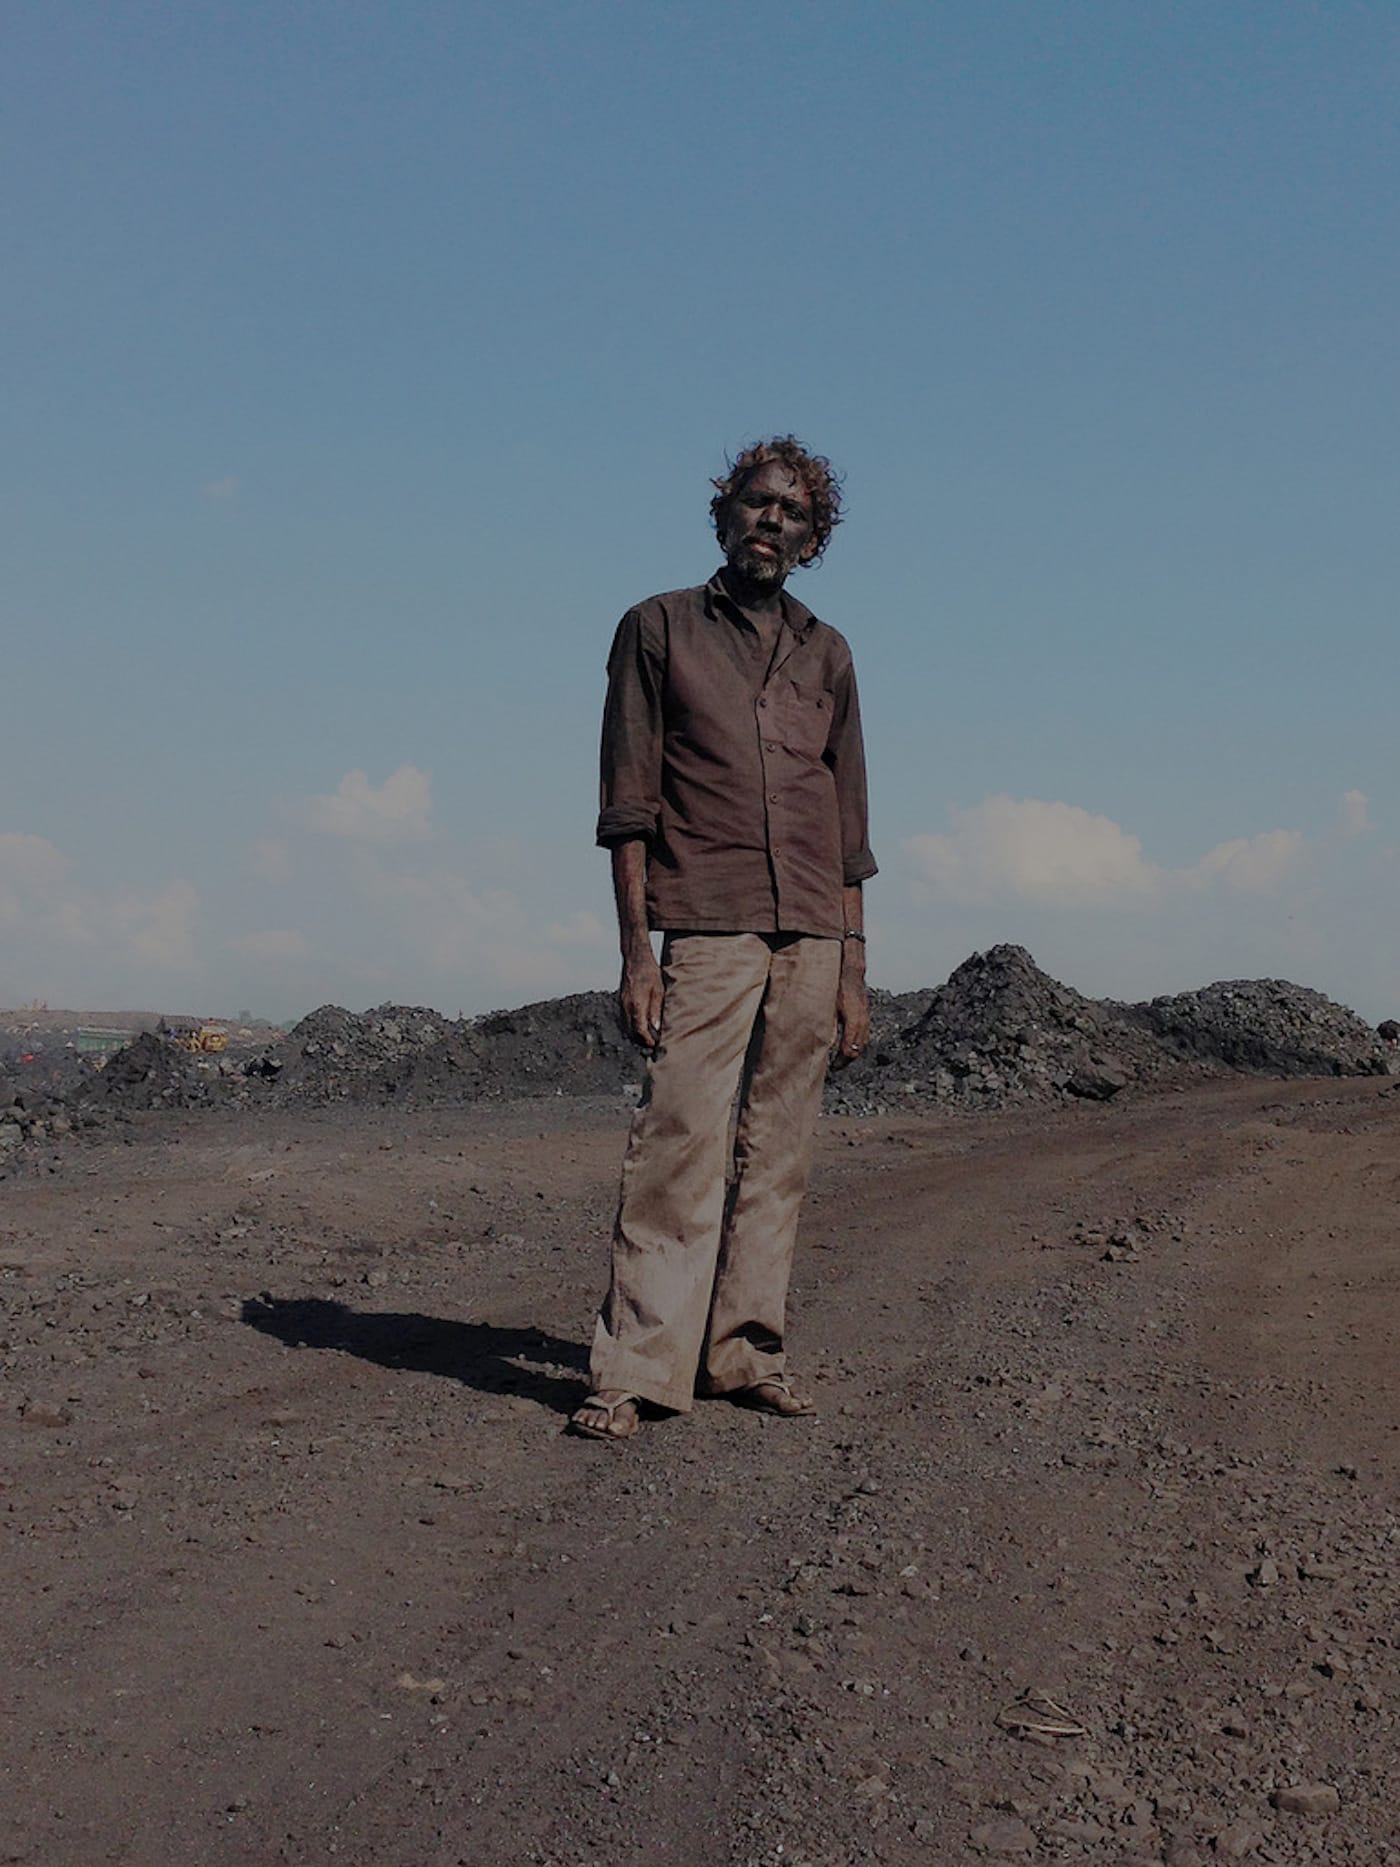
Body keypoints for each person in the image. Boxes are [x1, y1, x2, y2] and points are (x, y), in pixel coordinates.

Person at [570, 436, 877, 1442]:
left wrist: (852, 971)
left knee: (777, 1152)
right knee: (678, 1141)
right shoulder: (656, 629)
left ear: (811, 536)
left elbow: (848, 824)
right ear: (720, 514)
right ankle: (634, 1369)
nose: (770, 521)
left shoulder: (826, 651)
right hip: (704, 917)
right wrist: (633, 951)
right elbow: (628, 803)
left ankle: (745, 1353)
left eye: (790, 512)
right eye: (754, 503)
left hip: (812, 933)